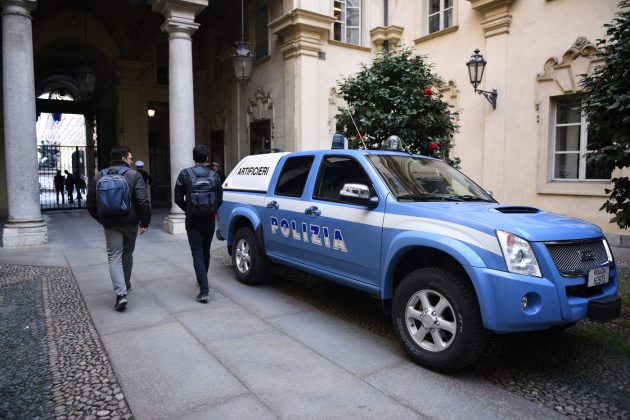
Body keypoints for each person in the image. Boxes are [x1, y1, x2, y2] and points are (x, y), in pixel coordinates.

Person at [86, 146, 151, 312]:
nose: (131, 161)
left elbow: (90, 204)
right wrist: (145, 222)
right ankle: (126, 284)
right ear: (123, 158)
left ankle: (121, 294)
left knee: (114, 256)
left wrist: (101, 219)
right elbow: (143, 201)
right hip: (130, 222)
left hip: (110, 223)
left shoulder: (99, 176)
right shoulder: (134, 175)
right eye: (130, 158)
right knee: (127, 255)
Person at [175, 145, 223, 303]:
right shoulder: (214, 175)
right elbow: (220, 198)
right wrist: (211, 210)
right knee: (205, 250)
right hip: (209, 219)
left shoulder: (185, 174)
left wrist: (189, 209)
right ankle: (203, 281)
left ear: (193, 158)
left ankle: (204, 290)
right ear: (207, 158)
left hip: (193, 219)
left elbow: (177, 198)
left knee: (197, 252)